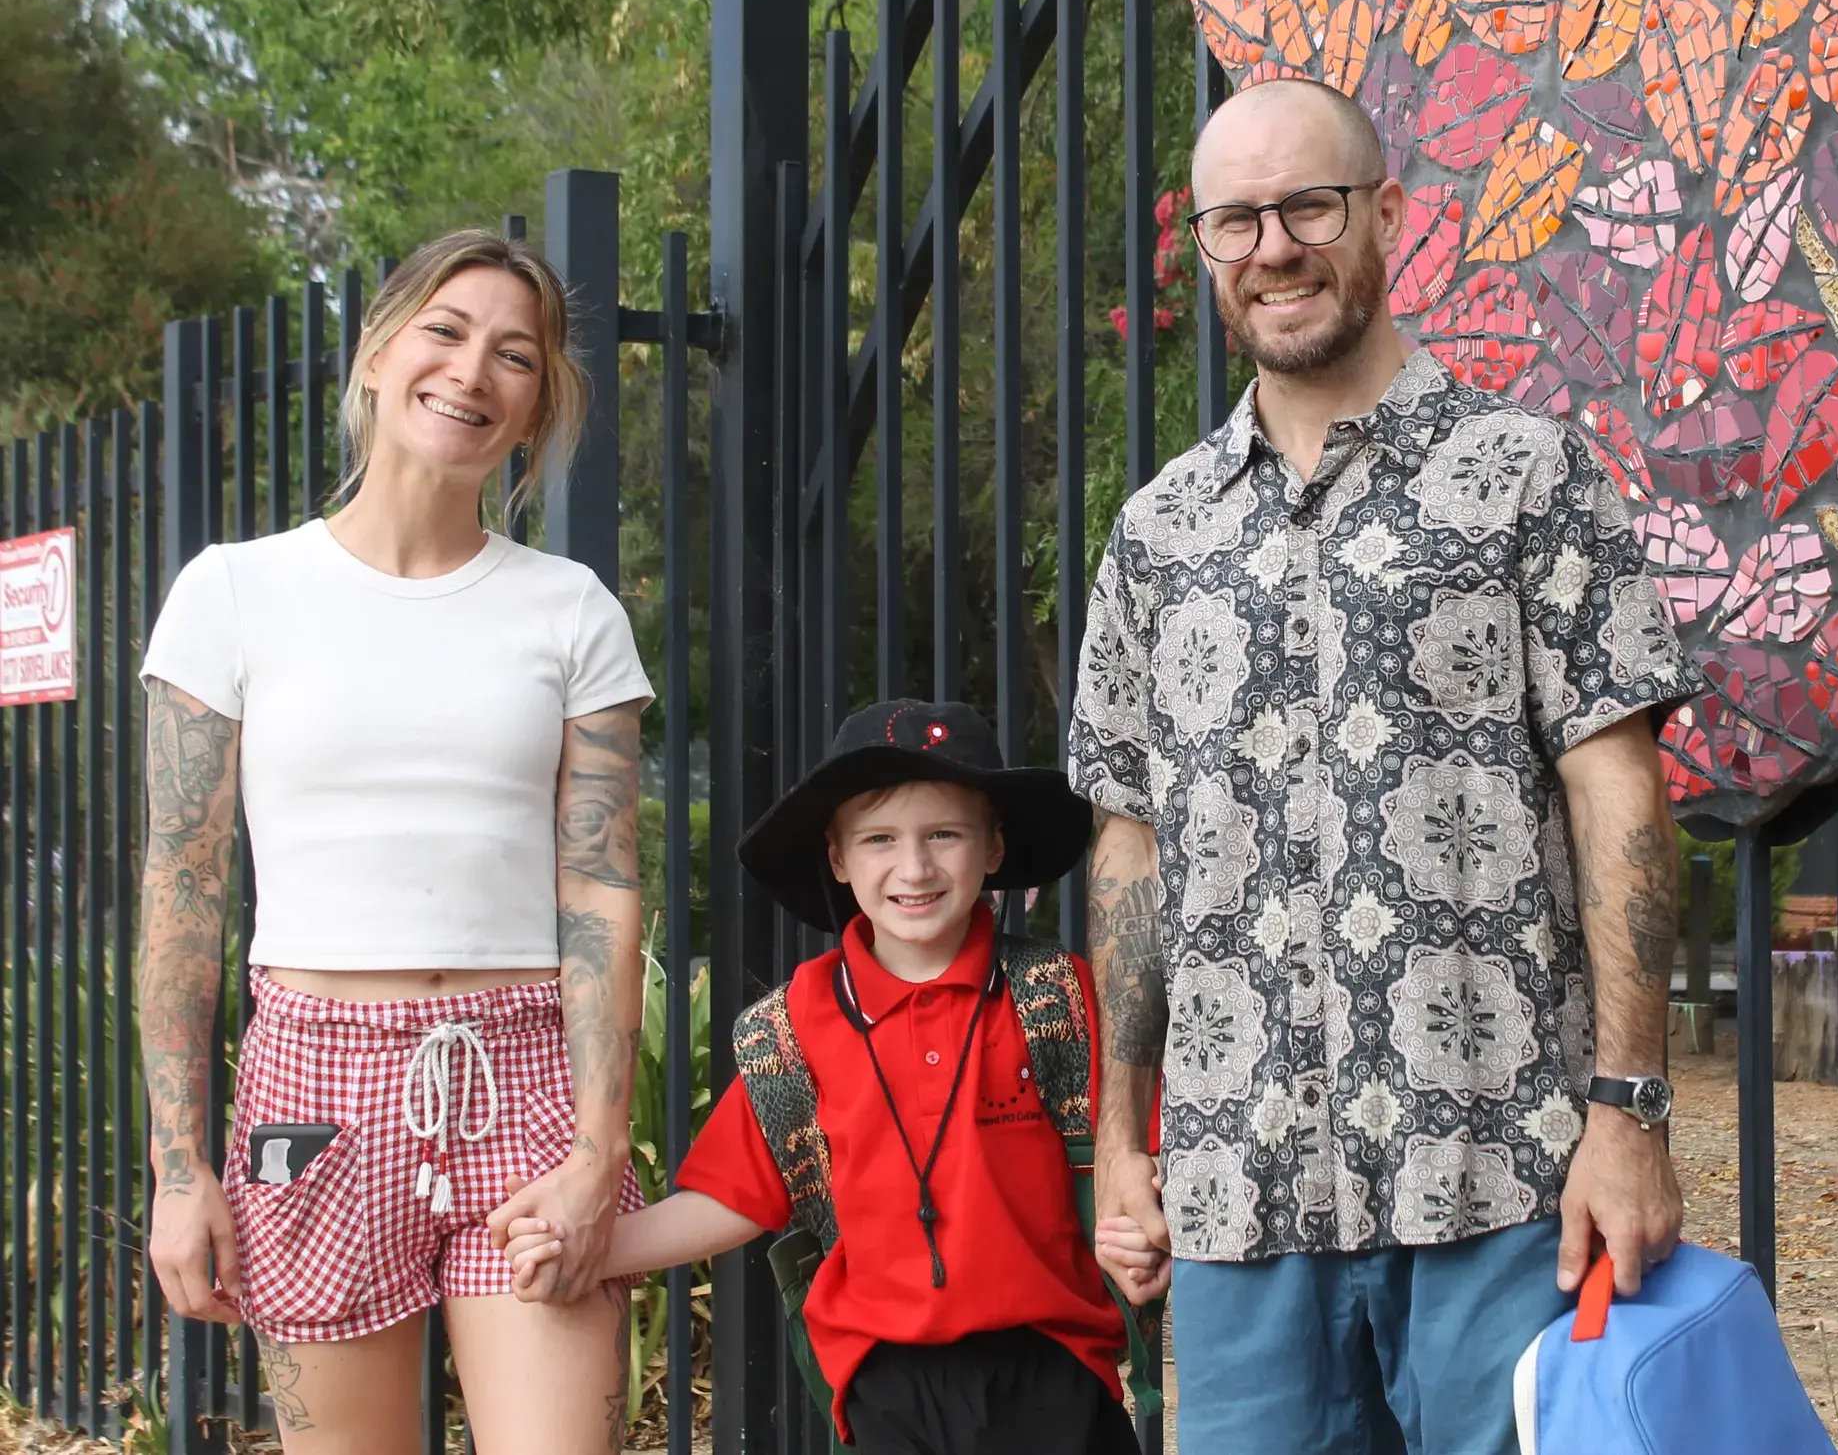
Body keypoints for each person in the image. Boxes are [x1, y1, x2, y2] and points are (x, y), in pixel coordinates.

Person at [1069, 76, 1701, 1455]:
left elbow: (1621, 795)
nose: (1274, 247)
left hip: (1503, 1172)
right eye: (1236, 220)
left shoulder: (1529, 475)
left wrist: (1630, 1110)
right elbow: (1130, 846)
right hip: (1238, 1198)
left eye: (1309, 205)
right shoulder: (1158, 534)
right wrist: (1125, 1136)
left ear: (1387, 214)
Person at [136, 229, 653, 1454]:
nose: (473, 370)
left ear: (534, 407)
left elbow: (602, 886)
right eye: (446, 329)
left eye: (514, 354)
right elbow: (182, 891)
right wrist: (176, 1167)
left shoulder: (570, 609)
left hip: (523, 1077)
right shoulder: (233, 593)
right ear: (378, 353)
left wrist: (599, 1146)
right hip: (312, 1088)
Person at [503, 700, 1137, 1455]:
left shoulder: (1056, 998)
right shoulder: (795, 1030)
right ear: (837, 858)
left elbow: (1137, 1155)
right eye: (879, 839)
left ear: (994, 848)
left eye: (944, 833)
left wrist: (1137, 1232)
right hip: (886, 1390)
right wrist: (596, 1250)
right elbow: (732, 1195)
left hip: (1052, 1375)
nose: (915, 867)